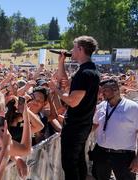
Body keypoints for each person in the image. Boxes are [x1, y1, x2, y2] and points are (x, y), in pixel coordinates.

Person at [49, 35, 100, 180]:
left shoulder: (86, 73)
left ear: (80, 49)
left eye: (73, 47)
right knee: (78, 160)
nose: (71, 50)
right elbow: (65, 82)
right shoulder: (86, 70)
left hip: (76, 126)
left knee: (70, 163)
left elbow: (72, 101)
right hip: (81, 124)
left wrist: (56, 90)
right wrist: (61, 63)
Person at [91, 79, 138, 180]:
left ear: (116, 90)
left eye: (105, 91)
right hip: (102, 153)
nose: (102, 94)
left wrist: (137, 158)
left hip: (124, 156)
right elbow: (94, 125)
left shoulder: (133, 108)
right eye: (102, 91)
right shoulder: (101, 106)